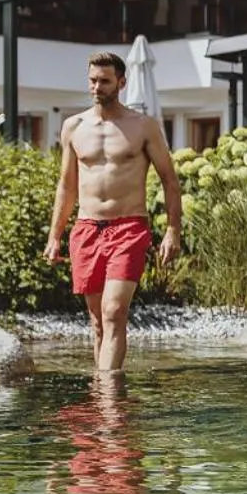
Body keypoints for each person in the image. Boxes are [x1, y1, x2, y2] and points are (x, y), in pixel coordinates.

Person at [44, 51, 182, 371]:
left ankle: (108, 400)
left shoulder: (143, 126)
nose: (97, 87)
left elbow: (170, 181)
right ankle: (104, 399)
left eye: (104, 81)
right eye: (92, 80)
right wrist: (55, 236)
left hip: (129, 227)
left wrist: (173, 230)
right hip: (87, 228)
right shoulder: (73, 127)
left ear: (121, 82)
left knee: (114, 312)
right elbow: (66, 187)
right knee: (97, 323)